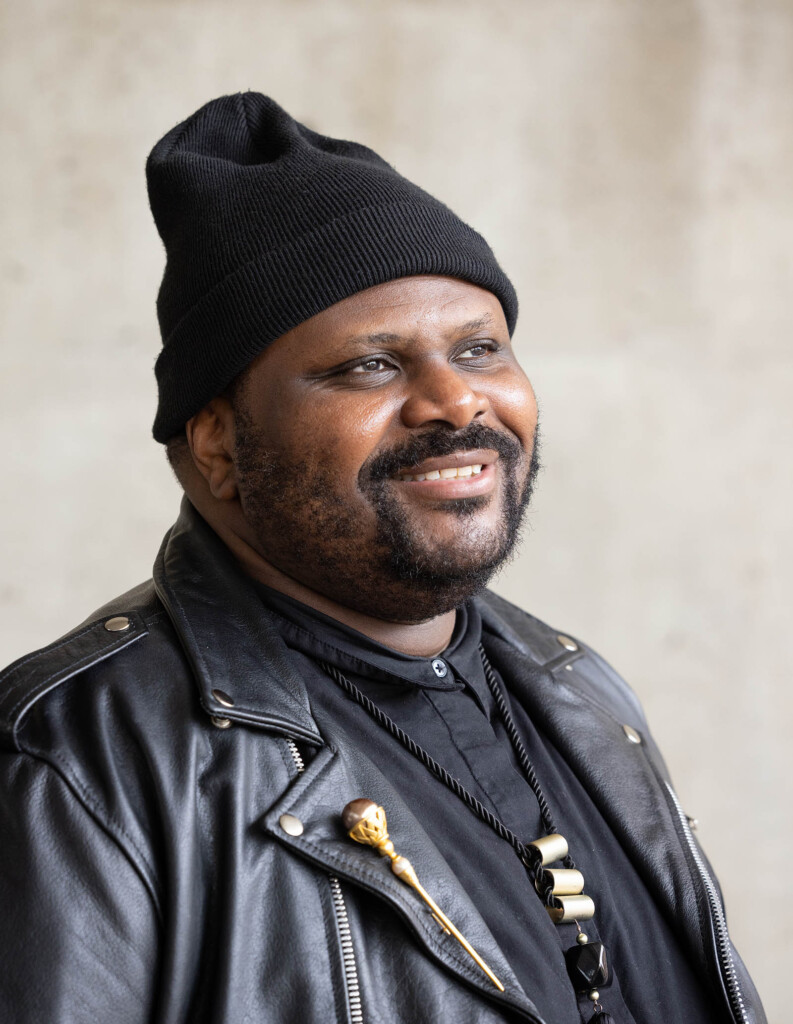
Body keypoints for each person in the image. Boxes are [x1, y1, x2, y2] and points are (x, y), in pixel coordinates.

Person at [0, 93, 765, 1024]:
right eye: (370, 365)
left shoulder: (579, 690)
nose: (455, 402)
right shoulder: (77, 762)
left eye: (480, 348)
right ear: (215, 445)